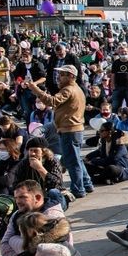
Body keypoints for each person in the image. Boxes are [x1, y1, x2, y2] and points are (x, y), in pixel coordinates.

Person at [25, 64, 91, 200]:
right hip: (73, 128)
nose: (59, 77)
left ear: (71, 76)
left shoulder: (68, 90)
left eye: (62, 75)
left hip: (70, 129)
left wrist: (35, 89)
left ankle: (78, 189)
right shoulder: (75, 88)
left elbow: (52, 101)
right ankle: (86, 183)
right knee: (76, 159)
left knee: (72, 161)